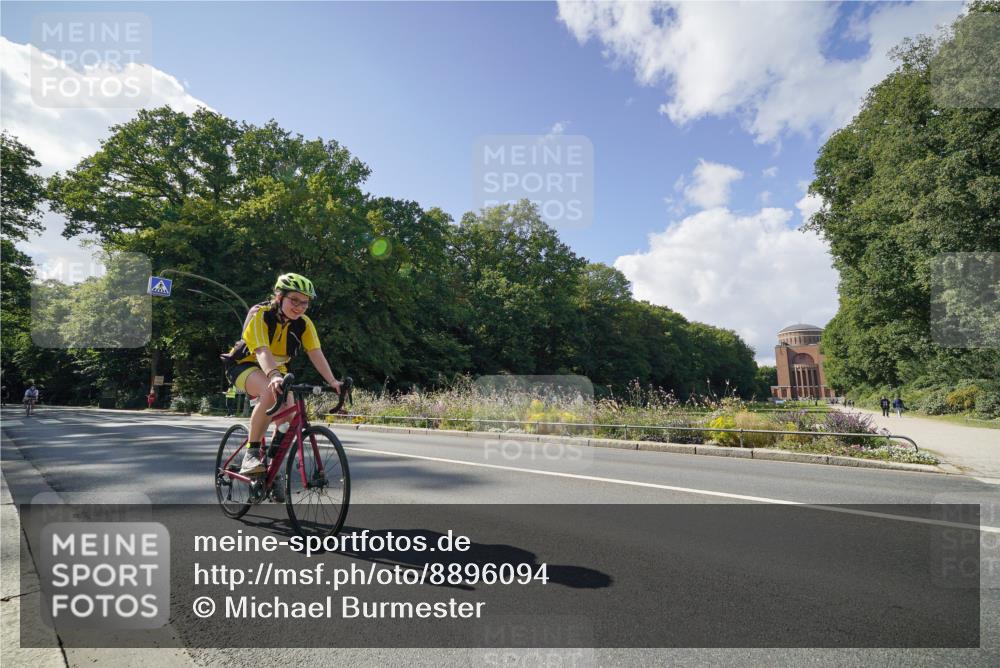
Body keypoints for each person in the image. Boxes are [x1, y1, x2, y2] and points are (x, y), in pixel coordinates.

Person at [221, 273, 342, 475]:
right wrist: (274, 375)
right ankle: (251, 455)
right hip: (244, 366)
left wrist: (332, 381)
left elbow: (315, 352)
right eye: (294, 300)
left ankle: (270, 466)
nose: (300, 306)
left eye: (305, 303)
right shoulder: (261, 314)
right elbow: (261, 350)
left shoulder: (304, 323)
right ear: (279, 296)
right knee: (270, 393)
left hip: (278, 372)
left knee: (289, 416)